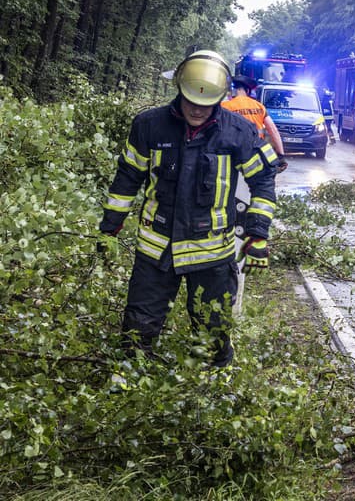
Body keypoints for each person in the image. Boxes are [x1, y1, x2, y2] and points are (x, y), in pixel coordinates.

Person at [99, 50, 278, 368]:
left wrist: (257, 234)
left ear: (220, 97)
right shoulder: (149, 126)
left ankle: (211, 397)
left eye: (206, 103)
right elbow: (127, 178)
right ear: (179, 89)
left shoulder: (238, 132)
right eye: (191, 100)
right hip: (156, 251)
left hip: (212, 256)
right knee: (136, 337)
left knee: (213, 338)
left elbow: (263, 183)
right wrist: (109, 229)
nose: (197, 109)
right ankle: (129, 392)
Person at [222, 74, 288, 172]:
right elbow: (273, 131)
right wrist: (281, 155)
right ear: (247, 91)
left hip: (231, 153)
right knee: (259, 183)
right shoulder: (259, 107)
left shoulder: (224, 106)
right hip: (255, 153)